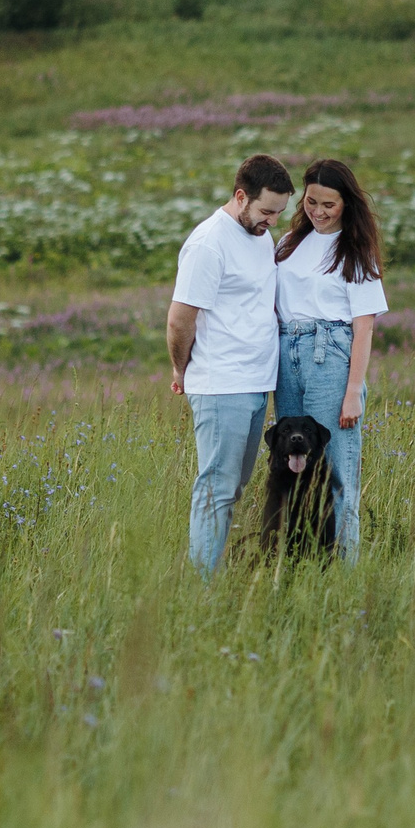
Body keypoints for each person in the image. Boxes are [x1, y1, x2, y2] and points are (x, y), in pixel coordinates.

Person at [168, 153, 296, 573]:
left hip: (257, 383)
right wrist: (179, 369)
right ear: (241, 197)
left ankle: (214, 571)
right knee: (216, 489)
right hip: (221, 384)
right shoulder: (209, 243)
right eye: (266, 211)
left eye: (279, 213)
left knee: (233, 488)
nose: (272, 222)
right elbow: (180, 318)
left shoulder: (258, 236)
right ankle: (203, 590)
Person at [271, 158, 387, 561]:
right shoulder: (288, 243)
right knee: (291, 467)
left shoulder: (356, 251)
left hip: (330, 356)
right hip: (286, 356)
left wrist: (353, 391)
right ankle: (301, 566)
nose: (318, 212)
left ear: (347, 205)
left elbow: (364, 327)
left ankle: (344, 573)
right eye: (311, 202)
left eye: (329, 205)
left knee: (337, 472)